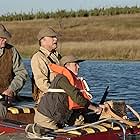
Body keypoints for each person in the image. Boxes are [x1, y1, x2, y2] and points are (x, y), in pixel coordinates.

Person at [35, 55, 103, 130]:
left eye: (78, 65)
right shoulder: (62, 78)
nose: (78, 67)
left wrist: (96, 106)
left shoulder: (70, 79)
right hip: (47, 118)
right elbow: (77, 98)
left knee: (80, 121)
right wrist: (95, 109)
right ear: (66, 66)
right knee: (57, 134)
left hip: (57, 116)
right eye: (75, 65)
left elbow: (79, 99)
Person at [0, 24, 28, 118]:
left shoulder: (12, 50)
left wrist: (11, 89)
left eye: (5, 37)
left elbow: (21, 73)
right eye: (2, 38)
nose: (5, 40)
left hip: (6, 97)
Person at [31, 26, 61, 103]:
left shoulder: (57, 56)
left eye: (55, 37)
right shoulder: (38, 57)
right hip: (47, 101)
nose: (56, 39)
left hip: (60, 98)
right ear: (43, 40)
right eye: (52, 37)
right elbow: (42, 84)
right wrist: (59, 93)